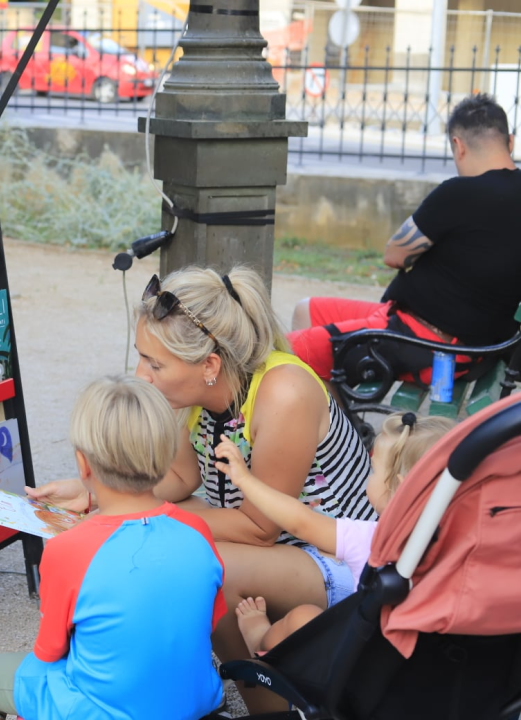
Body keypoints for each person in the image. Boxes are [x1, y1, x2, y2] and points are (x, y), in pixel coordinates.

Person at [27, 265, 375, 712]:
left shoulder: (284, 393)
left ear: (209, 365)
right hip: (284, 552)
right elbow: (178, 480)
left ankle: (268, 709)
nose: (141, 374)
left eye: (155, 364)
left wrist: (126, 521)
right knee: (182, 538)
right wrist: (96, 493)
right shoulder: (192, 394)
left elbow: (259, 528)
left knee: (207, 560)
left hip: (344, 561)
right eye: (141, 356)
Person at [0, 375, 226, 720]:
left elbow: (50, 651)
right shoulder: (197, 529)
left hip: (104, 709)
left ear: (83, 464)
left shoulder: (68, 548)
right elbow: (207, 623)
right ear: (166, 455)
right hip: (192, 701)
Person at [288, 93, 521, 383]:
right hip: (443, 337)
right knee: (305, 310)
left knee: (285, 352)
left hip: (424, 343)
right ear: (510, 142)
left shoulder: (459, 193)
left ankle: (332, 412)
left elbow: (394, 255)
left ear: (458, 145)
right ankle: (336, 410)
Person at [213, 412, 454, 655]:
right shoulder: (458, 547)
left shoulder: (371, 539)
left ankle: (259, 639)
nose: (369, 478)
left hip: (359, 656)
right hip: (422, 661)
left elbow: (300, 521)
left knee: (302, 618)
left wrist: (245, 480)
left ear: (401, 489)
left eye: (374, 471)